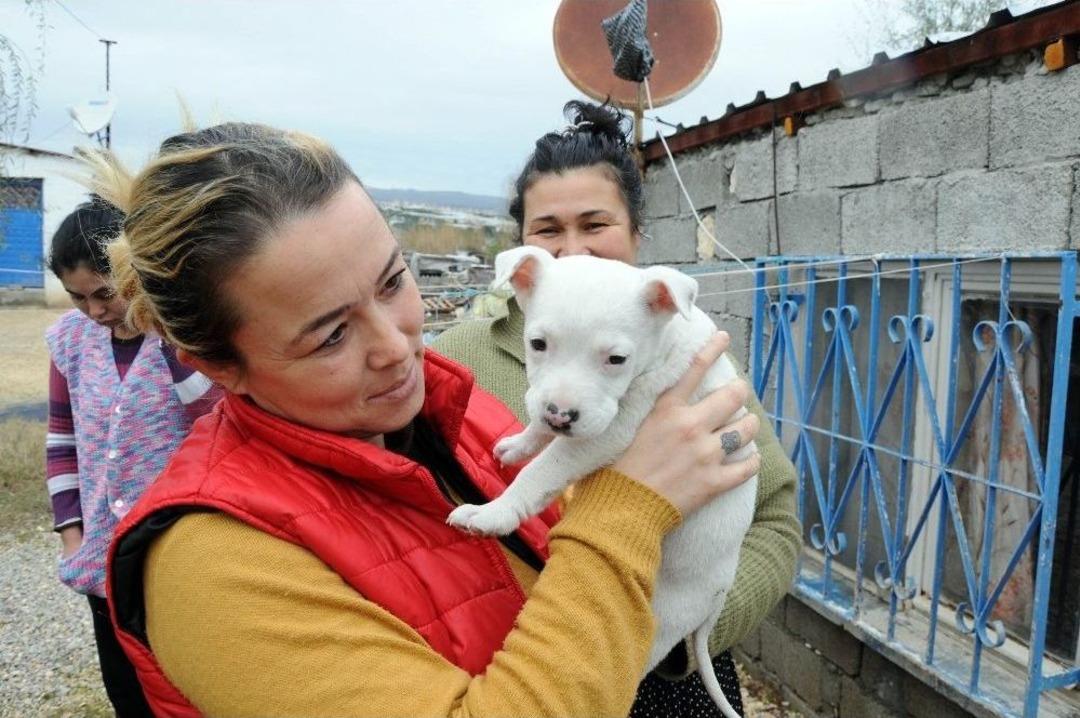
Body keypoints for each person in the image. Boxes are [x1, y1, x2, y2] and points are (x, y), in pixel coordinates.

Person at [84, 122, 762, 717]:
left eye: (392, 281)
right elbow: (605, 535)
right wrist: (631, 507)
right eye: (329, 336)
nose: (397, 345)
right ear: (215, 363)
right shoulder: (213, 570)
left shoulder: (454, 418)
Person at [433, 100, 802, 716]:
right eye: (548, 229)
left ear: (637, 235)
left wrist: (686, 628)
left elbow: (776, 516)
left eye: (595, 224)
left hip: (668, 669)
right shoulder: (457, 358)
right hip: (525, 675)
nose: (573, 251)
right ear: (523, 256)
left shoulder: (693, 354)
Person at [44, 200, 220, 717]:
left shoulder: (184, 332)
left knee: (189, 688)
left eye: (106, 293)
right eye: (80, 299)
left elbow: (212, 414)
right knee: (127, 693)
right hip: (102, 554)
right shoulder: (70, 342)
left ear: (135, 273)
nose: (97, 311)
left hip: (178, 549)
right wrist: (72, 535)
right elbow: (61, 440)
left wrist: (162, 326)